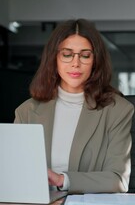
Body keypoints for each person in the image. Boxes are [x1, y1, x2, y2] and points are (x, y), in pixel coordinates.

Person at [14, 19, 134, 194]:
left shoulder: (118, 110)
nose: (75, 63)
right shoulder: (26, 111)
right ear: (54, 58)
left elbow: (117, 180)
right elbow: (14, 174)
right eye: (67, 54)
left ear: (95, 61)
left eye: (85, 55)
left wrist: (63, 180)